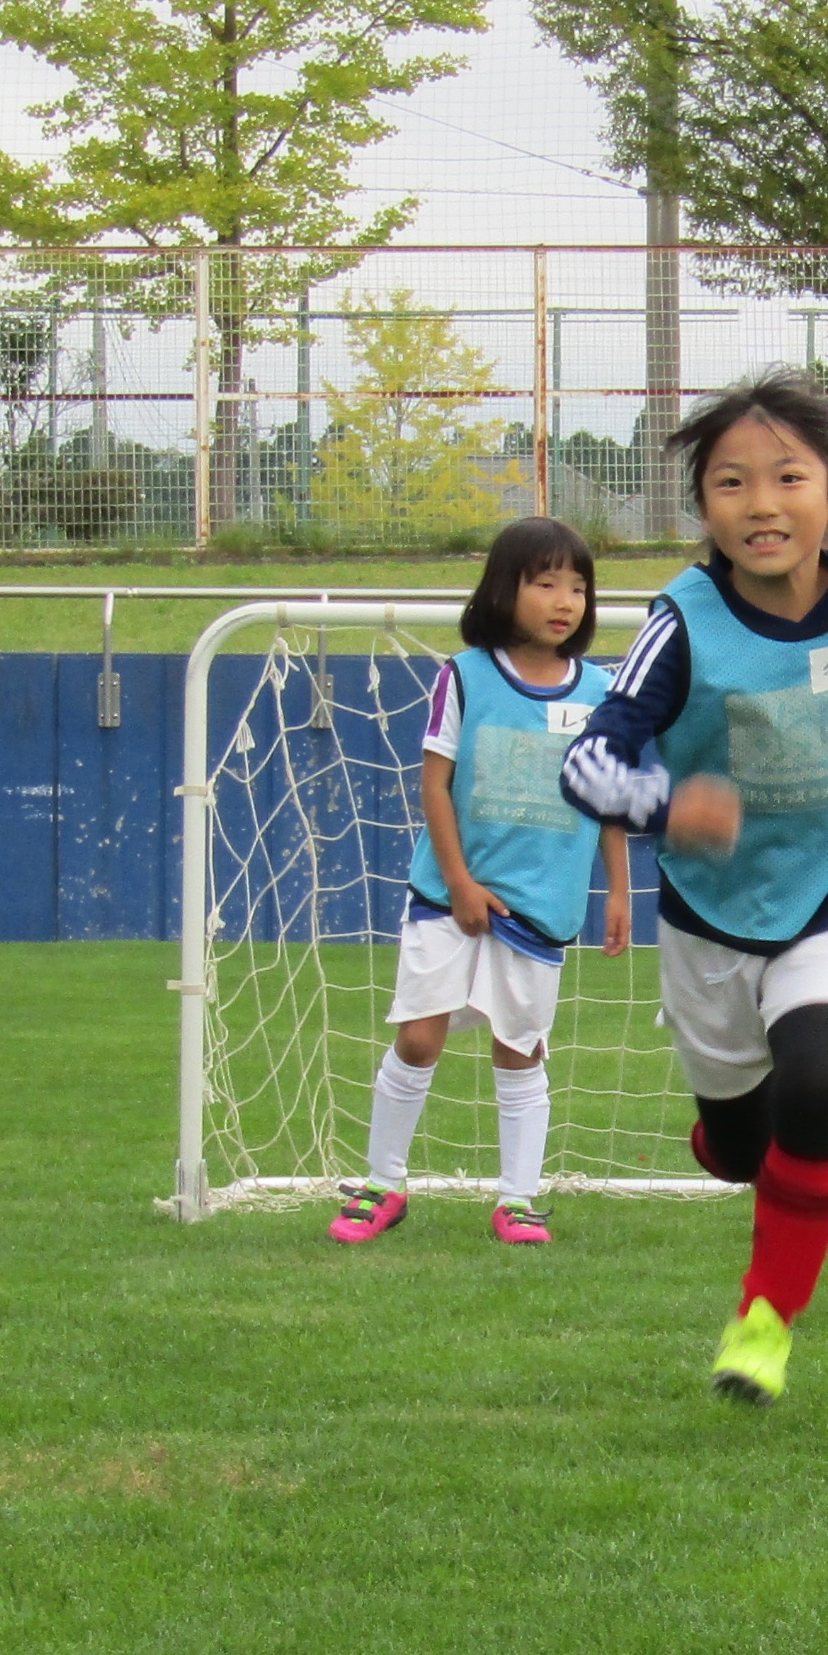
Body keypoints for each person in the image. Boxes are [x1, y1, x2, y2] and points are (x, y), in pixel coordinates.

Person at [560, 370, 828, 1406]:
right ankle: (730, 1137)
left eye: (789, 478)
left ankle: (764, 1324)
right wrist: (665, 804)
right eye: (731, 483)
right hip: (712, 920)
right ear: (703, 508)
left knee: (820, 1089)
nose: (762, 503)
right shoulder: (683, 623)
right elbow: (587, 766)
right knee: (738, 1152)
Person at [330, 517, 632, 1246]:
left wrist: (619, 890)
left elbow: (607, 799)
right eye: (546, 583)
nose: (565, 601)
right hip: (448, 897)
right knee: (419, 1038)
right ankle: (383, 1184)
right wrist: (461, 882)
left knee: (520, 1049)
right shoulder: (464, 677)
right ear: (504, 589)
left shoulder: (602, 691)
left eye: (578, 587)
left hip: (542, 906)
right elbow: (435, 786)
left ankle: (517, 1201)